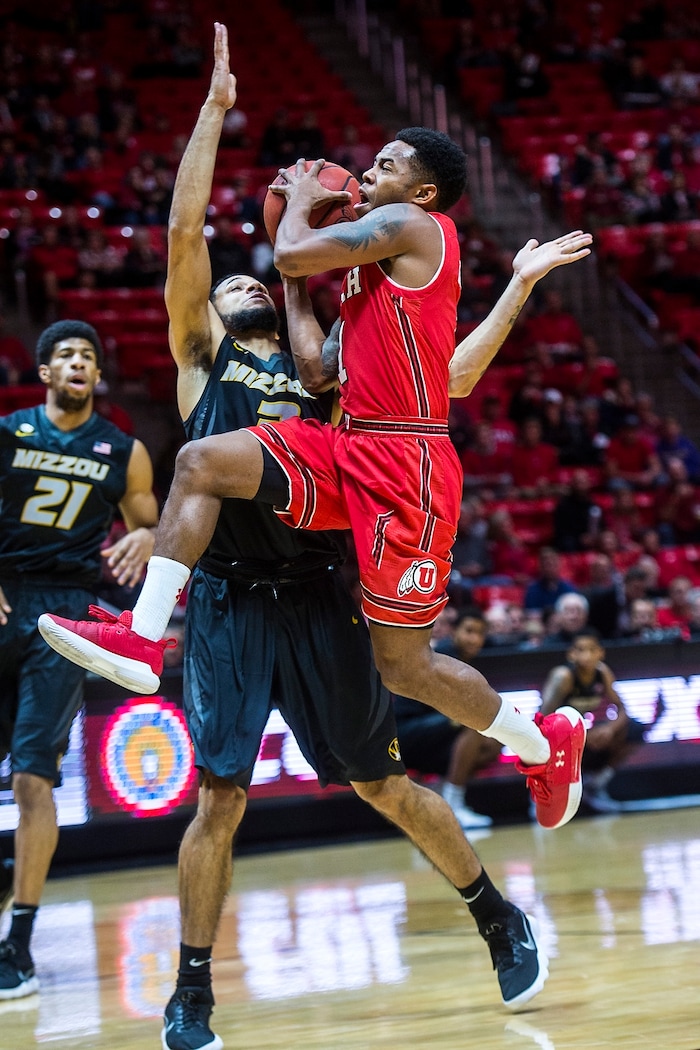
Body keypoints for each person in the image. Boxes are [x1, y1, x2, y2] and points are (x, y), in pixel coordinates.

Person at [40, 13, 592, 906]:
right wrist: (297, 278)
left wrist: (296, 202)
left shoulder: (415, 229)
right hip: (344, 455)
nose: (367, 171)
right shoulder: (337, 293)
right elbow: (311, 360)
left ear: (423, 188)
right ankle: (143, 634)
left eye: (383, 163)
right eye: (366, 165)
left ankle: (540, 742)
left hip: (403, 466)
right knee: (204, 461)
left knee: (405, 670)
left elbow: (322, 270)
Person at [0, 318, 158, 999]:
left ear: (98, 376)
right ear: (44, 373)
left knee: (35, 777)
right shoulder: (9, 431)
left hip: (64, 615)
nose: (77, 363)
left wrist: (148, 536)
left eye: (87, 357)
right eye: (64, 354)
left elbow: (149, 518)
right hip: (4, 594)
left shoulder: (123, 449)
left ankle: (20, 944)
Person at [395, 607, 502, 830]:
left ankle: (437, 804)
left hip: (432, 731)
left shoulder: (466, 660)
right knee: (473, 723)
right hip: (403, 732)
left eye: (480, 633)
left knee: (492, 745)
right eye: (469, 631)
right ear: (454, 632)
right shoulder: (445, 655)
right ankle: (454, 806)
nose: (475, 638)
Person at [539, 628, 650, 812]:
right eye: (581, 650)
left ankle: (595, 785)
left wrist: (610, 729)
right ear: (571, 654)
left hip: (582, 735)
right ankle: (542, 793)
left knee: (634, 730)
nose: (587, 656)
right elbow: (543, 721)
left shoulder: (602, 673)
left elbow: (623, 710)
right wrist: (580, 736)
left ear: (601, 652)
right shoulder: (564, 677)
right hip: (556, 738)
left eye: (592, 650)